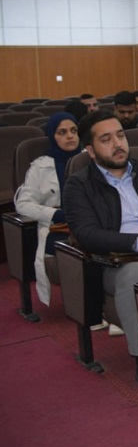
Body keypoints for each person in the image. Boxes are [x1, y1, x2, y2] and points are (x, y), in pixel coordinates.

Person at [63, 110, 138, 395]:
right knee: (136, 276)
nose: (118, 144)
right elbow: (87, 234)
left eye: (120, 135)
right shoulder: (79, 184)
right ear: (90, 150)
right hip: (116, 262)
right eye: (106, 139)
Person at [14, 112, 80, 306]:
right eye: (62, 132)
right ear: (52, 136)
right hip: (58, 227)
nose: (70, 136)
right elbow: (23, 204)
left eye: (74, 131)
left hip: (91, 223)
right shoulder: (40, 166)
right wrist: (56, 214)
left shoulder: (91, 159)